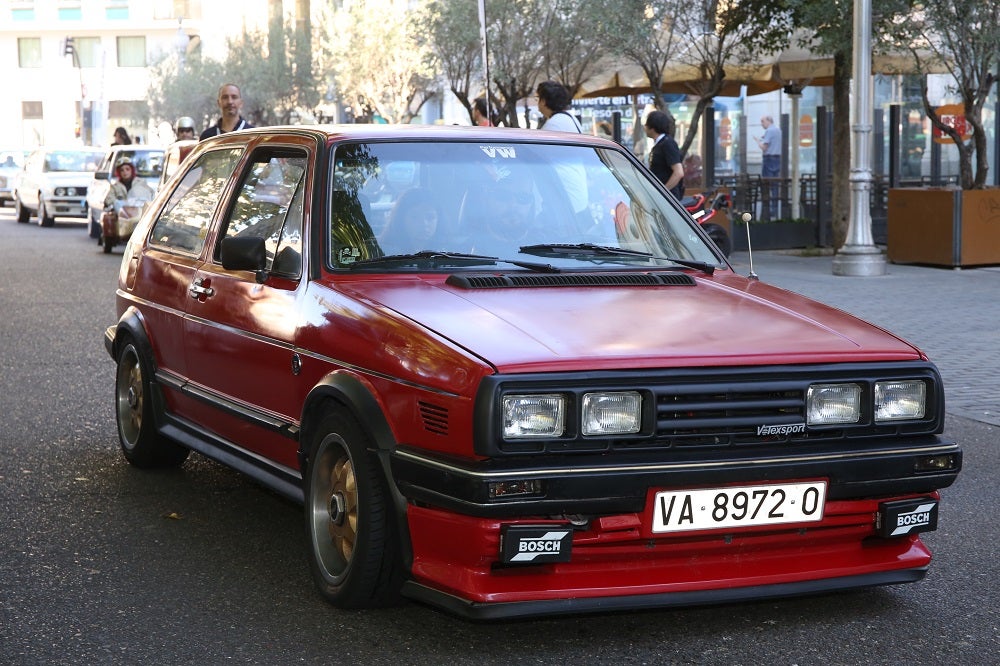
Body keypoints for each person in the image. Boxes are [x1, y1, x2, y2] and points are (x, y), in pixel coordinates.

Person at [380, 188, 444, 255]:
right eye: (415, 217)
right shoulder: (385, 253)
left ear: (439, 220)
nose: (424, 223)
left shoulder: (448, 252)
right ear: (401, 220)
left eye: (430, 217)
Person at [644, 110, 684, 200]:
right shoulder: (659, 144)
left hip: (669, 199)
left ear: (652, 128)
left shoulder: (667, 143)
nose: (644, 127)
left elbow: (678, 172)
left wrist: (664, 192)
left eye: (646, 125)